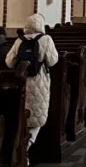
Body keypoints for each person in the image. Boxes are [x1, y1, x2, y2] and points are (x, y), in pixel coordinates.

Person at [5, 13, 59, 157]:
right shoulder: (46, 39)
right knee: (37, 116)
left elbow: (9, 62)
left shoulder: (20, 40)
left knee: (24, 114)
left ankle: (20, 147)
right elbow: (53, 61)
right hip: (39, 81)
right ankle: (25, 148)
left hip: (21, 82)